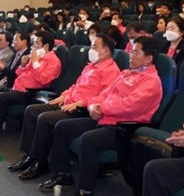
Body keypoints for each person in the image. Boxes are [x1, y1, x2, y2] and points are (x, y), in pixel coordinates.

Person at [39, 36, 162, 196]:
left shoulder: (151, 82)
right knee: (63, 127)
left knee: (89, 140)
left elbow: (130, 106)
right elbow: (104, 93)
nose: (131, 54)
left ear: (149, 58)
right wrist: (93, 106)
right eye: (131, 50)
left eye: (136, 52)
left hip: (123, 128)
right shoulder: (126, 73)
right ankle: (64, 175)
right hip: (103, 118)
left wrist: (101, 108)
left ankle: (85, 194)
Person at [9, 34, 120, 180]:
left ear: (106, 51)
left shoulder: (112, 71)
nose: (90, 50)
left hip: (81, 110)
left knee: (45, 119)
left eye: (94, 47)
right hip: (68, 102)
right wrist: (63, 96)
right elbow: (76, 85)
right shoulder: (90, 66)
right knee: (32, 110)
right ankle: (30, 156)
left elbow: (103, 96)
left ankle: (41, 163)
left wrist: (80, 103)